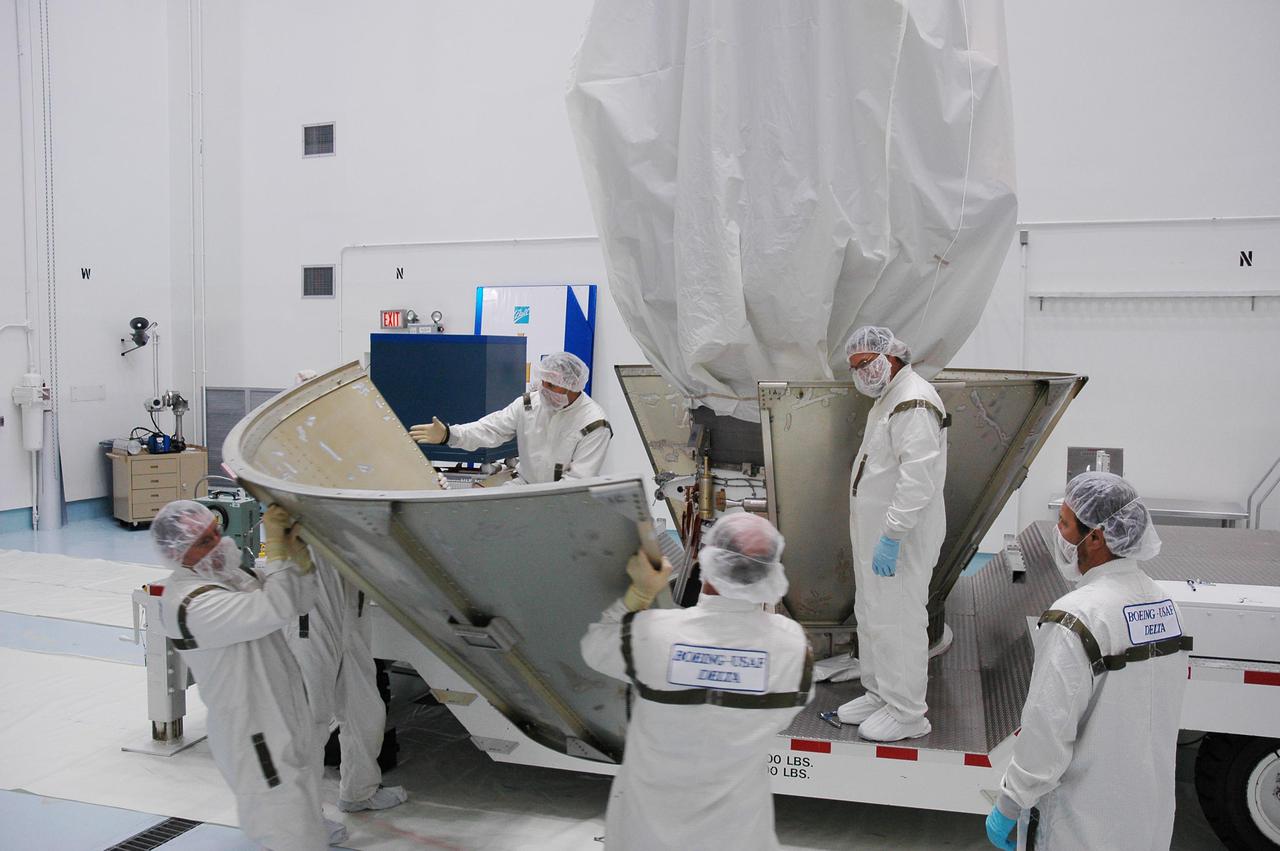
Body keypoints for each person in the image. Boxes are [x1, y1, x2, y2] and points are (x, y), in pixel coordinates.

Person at [581, 512, 813, 850]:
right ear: (769, 573)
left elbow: (595, 647)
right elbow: (786, 709)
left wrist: (640, 595)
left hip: (644, 835)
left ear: (707, 564)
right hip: (737, 837)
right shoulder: (792, 646)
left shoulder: (654, 633)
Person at [985, 472, 1190, 850]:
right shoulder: (1165, 605)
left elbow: (1047, 729)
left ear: (1095, 536)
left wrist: (1010, 802)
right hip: (1148, 818)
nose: (1057, 533)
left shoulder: (1076, 617)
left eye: (1064, 523)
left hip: (1079, 824)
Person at [151, 500, 342, 850]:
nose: (221, 544)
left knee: (303, 822)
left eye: (216, 532)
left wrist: (299, 560)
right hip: (257, 740)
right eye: (206, 542)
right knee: (291, 835)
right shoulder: (191, 603)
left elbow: (297, 603)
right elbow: (275, 606)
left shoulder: (230, 577)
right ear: (179, 554)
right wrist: (278, 549)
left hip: (282, 718)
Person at [835, 325, 948, 742]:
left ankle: (907, 712)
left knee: (899, 619)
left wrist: (893, 533)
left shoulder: (914, 401)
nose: (861, 373)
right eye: (855, 368)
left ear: (892, 355)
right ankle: (880, 692)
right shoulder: (890, 398)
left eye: (866, 363)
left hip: (900, 539)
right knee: (873, 614)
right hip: (879, 536)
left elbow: (917, 479)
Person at [410, 351, 611, 484]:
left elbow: (578, 481)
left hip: (564, 501)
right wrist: (449, 434)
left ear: (572, 385)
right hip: (523, 485)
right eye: (543, 382)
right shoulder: (529, 404)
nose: (543, 390)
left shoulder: (593, 423)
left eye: (552, 385)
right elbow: (490, 429)